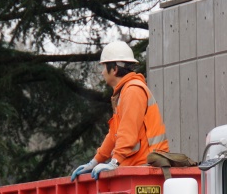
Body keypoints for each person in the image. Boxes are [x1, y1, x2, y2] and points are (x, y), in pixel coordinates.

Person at [70, 41, 170, 180]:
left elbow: (128, 133)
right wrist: (95, 161)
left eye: (105, 66)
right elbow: (114, 135)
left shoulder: (132, 91)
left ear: (115, 69)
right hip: (140, 168)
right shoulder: (125, 92)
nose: (102, 72)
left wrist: (114, 162)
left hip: (147, 169)